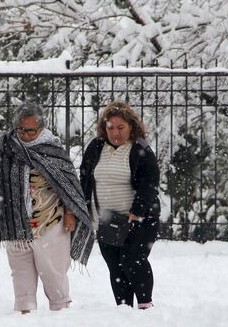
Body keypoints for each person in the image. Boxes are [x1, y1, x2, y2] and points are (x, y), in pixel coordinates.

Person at [0, 103, 95, 314]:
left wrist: (71, 213)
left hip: (50, 222)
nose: (25, 135)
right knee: (20, 273)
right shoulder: (5, 147)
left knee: (53, 273)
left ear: (41, 128)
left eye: (30, 130)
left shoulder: (52, 150)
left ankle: (60, 310)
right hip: (15, 223)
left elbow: (68, 186)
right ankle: (25, 313)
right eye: (21, 130)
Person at [80, 101, 160, 309]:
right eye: (110, 127)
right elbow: (85, 178)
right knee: (116, 268)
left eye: (120, 127)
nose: (115, 132)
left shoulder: (139, 149)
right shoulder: (96, 147)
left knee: (132, 260)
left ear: (131, 127)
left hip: (137, 220)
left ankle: (145, 306)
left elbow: (149, 183)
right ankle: (123, 311)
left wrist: (137, 211)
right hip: (106, 220)